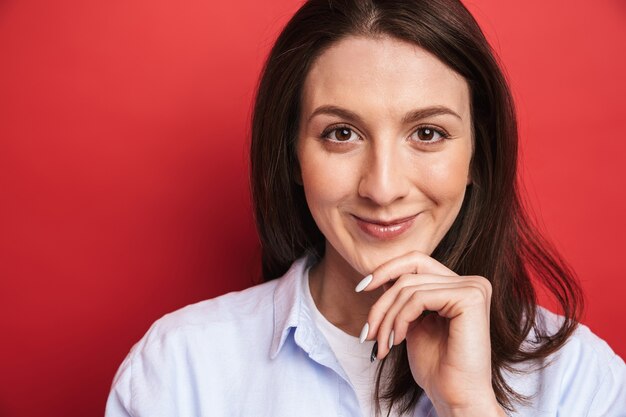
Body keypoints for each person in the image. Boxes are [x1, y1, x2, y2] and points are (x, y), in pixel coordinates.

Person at [105, 0, 626, 416]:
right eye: (341, 134)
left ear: (478, 157)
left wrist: (468, 408)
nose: (382, 187)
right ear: (291, 155)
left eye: (427, 133)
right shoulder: (179, 368)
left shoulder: (578, 377)